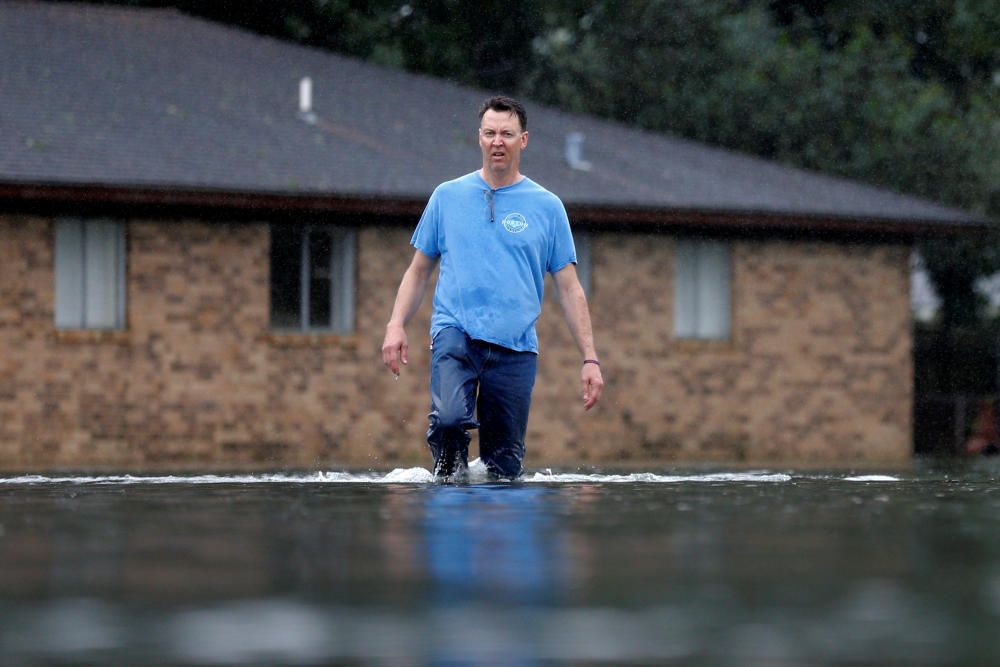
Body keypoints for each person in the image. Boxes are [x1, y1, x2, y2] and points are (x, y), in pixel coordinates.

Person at [381, 95, 604, 480]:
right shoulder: (447, 197)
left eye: (506, 134)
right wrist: (396, 324)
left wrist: (590, 358)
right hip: (456, 334)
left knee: (504, 470)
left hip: (515, 347)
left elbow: (569, 289)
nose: (497, 141)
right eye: (490, 133)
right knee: (450, 421)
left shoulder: (547, 206)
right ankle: (448, 482)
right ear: (479, 138)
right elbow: (418, 271)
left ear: (524, 140)